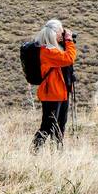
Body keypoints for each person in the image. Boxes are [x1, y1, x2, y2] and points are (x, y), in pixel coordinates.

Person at [31, 18, 77, 152]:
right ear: (54, 33)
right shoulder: (47, 51)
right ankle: (34, 151)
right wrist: (69, 40)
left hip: (61, 92)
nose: (62, 34)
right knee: (48, 125)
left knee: (60, 125)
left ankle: (57, 152)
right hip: (51, 93)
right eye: (60, 32)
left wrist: (65, 41)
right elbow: (69, 58)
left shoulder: (55, 49)